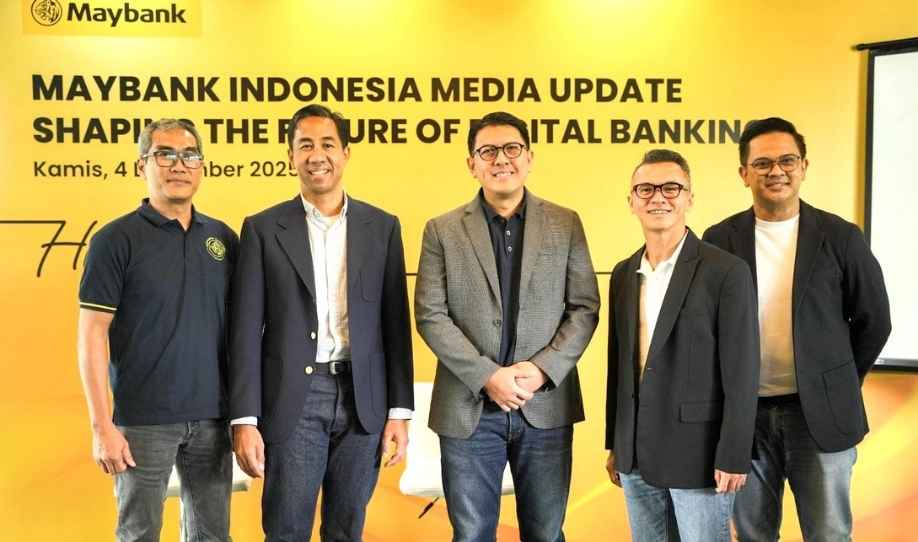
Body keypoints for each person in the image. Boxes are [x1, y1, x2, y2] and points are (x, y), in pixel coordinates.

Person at [229, 104, 414, 541]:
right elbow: (244, 332)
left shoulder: (382, 227)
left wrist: (399, 412)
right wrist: (244, 419)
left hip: (363, 401)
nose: (317, 155)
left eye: (328, 144)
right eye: (305, 145)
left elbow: (395, 325)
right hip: (293, 399)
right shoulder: (262, 229)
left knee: (347, 530)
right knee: (286, 530)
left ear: (346, 152)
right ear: (290, 156)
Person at [703, 117, 891, 541]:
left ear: (804, 166)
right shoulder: (718, 240)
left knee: (828, 534)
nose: (776, 171)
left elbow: (874, 319)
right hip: (744, 418)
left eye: (787, 160)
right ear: (744, 173)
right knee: (753, 534)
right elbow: (705, 330)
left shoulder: (841, 237)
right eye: (763, 163)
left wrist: (836, 380)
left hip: (820, 417)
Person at [415, 111, 600, 542]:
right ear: (472, 164)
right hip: (469, 409)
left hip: (545, 406)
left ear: (529, 157)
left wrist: (540, 370)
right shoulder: (441, 230)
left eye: (512, 148)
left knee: (546, 533)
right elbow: (430, 314)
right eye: (488, 151)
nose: (501, 159)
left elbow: (584, 307)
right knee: (472, 534)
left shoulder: (565, 223)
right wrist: (488, 376)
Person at [77, 118, 237, 541]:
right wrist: (102, 426)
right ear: (141, 165)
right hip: (141, 422)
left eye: (190, 155)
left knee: (213, 536)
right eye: (164, 154)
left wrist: (244, 417)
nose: (178, 165)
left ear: (202, 167)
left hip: (213, 419)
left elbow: (242, 335)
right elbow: (92, 335)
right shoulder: (114, 240)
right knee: (139, 534)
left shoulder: (222, 238)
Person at [605, 149, 759, 542]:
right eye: (646, 189)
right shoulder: (623, 273)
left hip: (700, 453)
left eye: (671, 188)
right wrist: (616, 443)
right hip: (635, 453)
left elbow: (742, 372)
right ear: (631, 201)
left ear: (690, 197)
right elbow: (618, 365)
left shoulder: (726, 271)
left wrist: (734, 452)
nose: (658, 197)